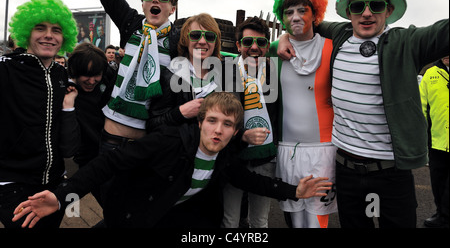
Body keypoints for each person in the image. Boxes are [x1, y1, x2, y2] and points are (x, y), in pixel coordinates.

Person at [277, 0, 449, 228]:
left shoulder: (406, 42)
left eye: (376, 5)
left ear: (389, 10)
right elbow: (302, 22)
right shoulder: (340, 34)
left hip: (391, 172)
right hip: (345, 170)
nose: (367, 13)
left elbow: (443, 33)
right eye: (358, 7)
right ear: (349, 13)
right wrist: (285, 36)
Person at [12, 92, 332, 228]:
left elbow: (249, 180)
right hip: (129, 216)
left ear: (236, 132)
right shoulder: (169, 141)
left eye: (227, 125)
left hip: (170, 219)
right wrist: (62, 195)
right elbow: (109, 164)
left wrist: (295, 192)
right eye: (212, 121)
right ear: (200, 122)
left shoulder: (224, 157)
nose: (218, 130)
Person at [69, 0, 180, 152]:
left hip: (148, 144)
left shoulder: (178, 40)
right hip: (109, 139)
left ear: (172, 8)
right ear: (143, 5)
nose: (155, 0)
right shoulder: (131, 24)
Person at [0, 0, 78, 228]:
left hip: (55, 182)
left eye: (56, 30)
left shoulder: (61, 74)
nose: (48, 35)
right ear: (26, 32)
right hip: (13, 182)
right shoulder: (5, 69)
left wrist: (69, 107)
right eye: (40, 28)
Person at [269, 0, 336, 228]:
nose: (295, 16)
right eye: (289, 12)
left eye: (301, 10)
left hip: (323, 148)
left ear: (315, 14)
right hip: (288, 148)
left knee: (317, 220)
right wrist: (284, 38)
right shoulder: (275, 49)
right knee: (294, 219)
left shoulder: (331, 47)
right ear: (282, 19)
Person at [221, 17, 279, 228]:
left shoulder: (276, 72)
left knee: (260, 221)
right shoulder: (225, 71)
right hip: (234, 154)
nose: (254, 47)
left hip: (265, 157)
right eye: (247, 42)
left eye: (261, 43)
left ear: (267, 46)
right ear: (238, 46)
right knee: (230, 220)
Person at [147, 13, 222, 129]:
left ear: (215, 43)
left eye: (210, 36)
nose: (202, 41)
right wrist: (180, 113)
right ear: (186, 40)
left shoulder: (226, 77)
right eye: (195, 35)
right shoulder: (170, 76)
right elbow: (152, 125)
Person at [420, 56, 449, 228]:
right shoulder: (430, 74)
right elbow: (422, 107)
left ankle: (445, 218)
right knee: (438, 185)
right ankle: (441, 214)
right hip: (437, 142)